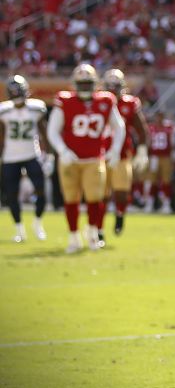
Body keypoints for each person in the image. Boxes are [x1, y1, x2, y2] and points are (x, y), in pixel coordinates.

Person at [45, 64, 125, 253]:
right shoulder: (65, 100)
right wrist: (62, 150)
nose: (84, 87)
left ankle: (92, 233)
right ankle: (73, 237)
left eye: (88, 83)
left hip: (94, 159)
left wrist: (115, 150)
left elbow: (119, 126)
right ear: (75, 83)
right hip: (70, 160)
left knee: (95, 199)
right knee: (71, 199)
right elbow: (52, 130)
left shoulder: (106, 100)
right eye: (81, 83)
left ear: (95, 83)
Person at [0, 75, 48, 243]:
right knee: (12, 196)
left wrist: (48, 155)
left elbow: (44, 132)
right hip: (10, 157)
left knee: (41, 191)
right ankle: (19, 230)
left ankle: (37, 223)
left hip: (31, 155)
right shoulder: (4, 110)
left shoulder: (36, 108)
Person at [101, 69, 148, 235]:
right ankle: (98, 228)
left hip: (122, 154)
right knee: (101, 195)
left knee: (121, 193)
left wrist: (142, 151)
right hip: (100, 155)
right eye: (110, 87)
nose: (113, 90)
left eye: (116, 87)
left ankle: (119, 216)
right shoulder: (97, 102)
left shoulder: (129, 103)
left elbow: (141, 130)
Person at [148, 112, 175, 212]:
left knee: (166, 181)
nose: (159, 119)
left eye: (161, 117)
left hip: (166, 157)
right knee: (152, 181)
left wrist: (173, 158)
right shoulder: (151, 128)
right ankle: (150, 204)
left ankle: (166, 204)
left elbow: (173, 144)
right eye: (157, 117)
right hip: (154, 157)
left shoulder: (169, 128)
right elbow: (149, 143)